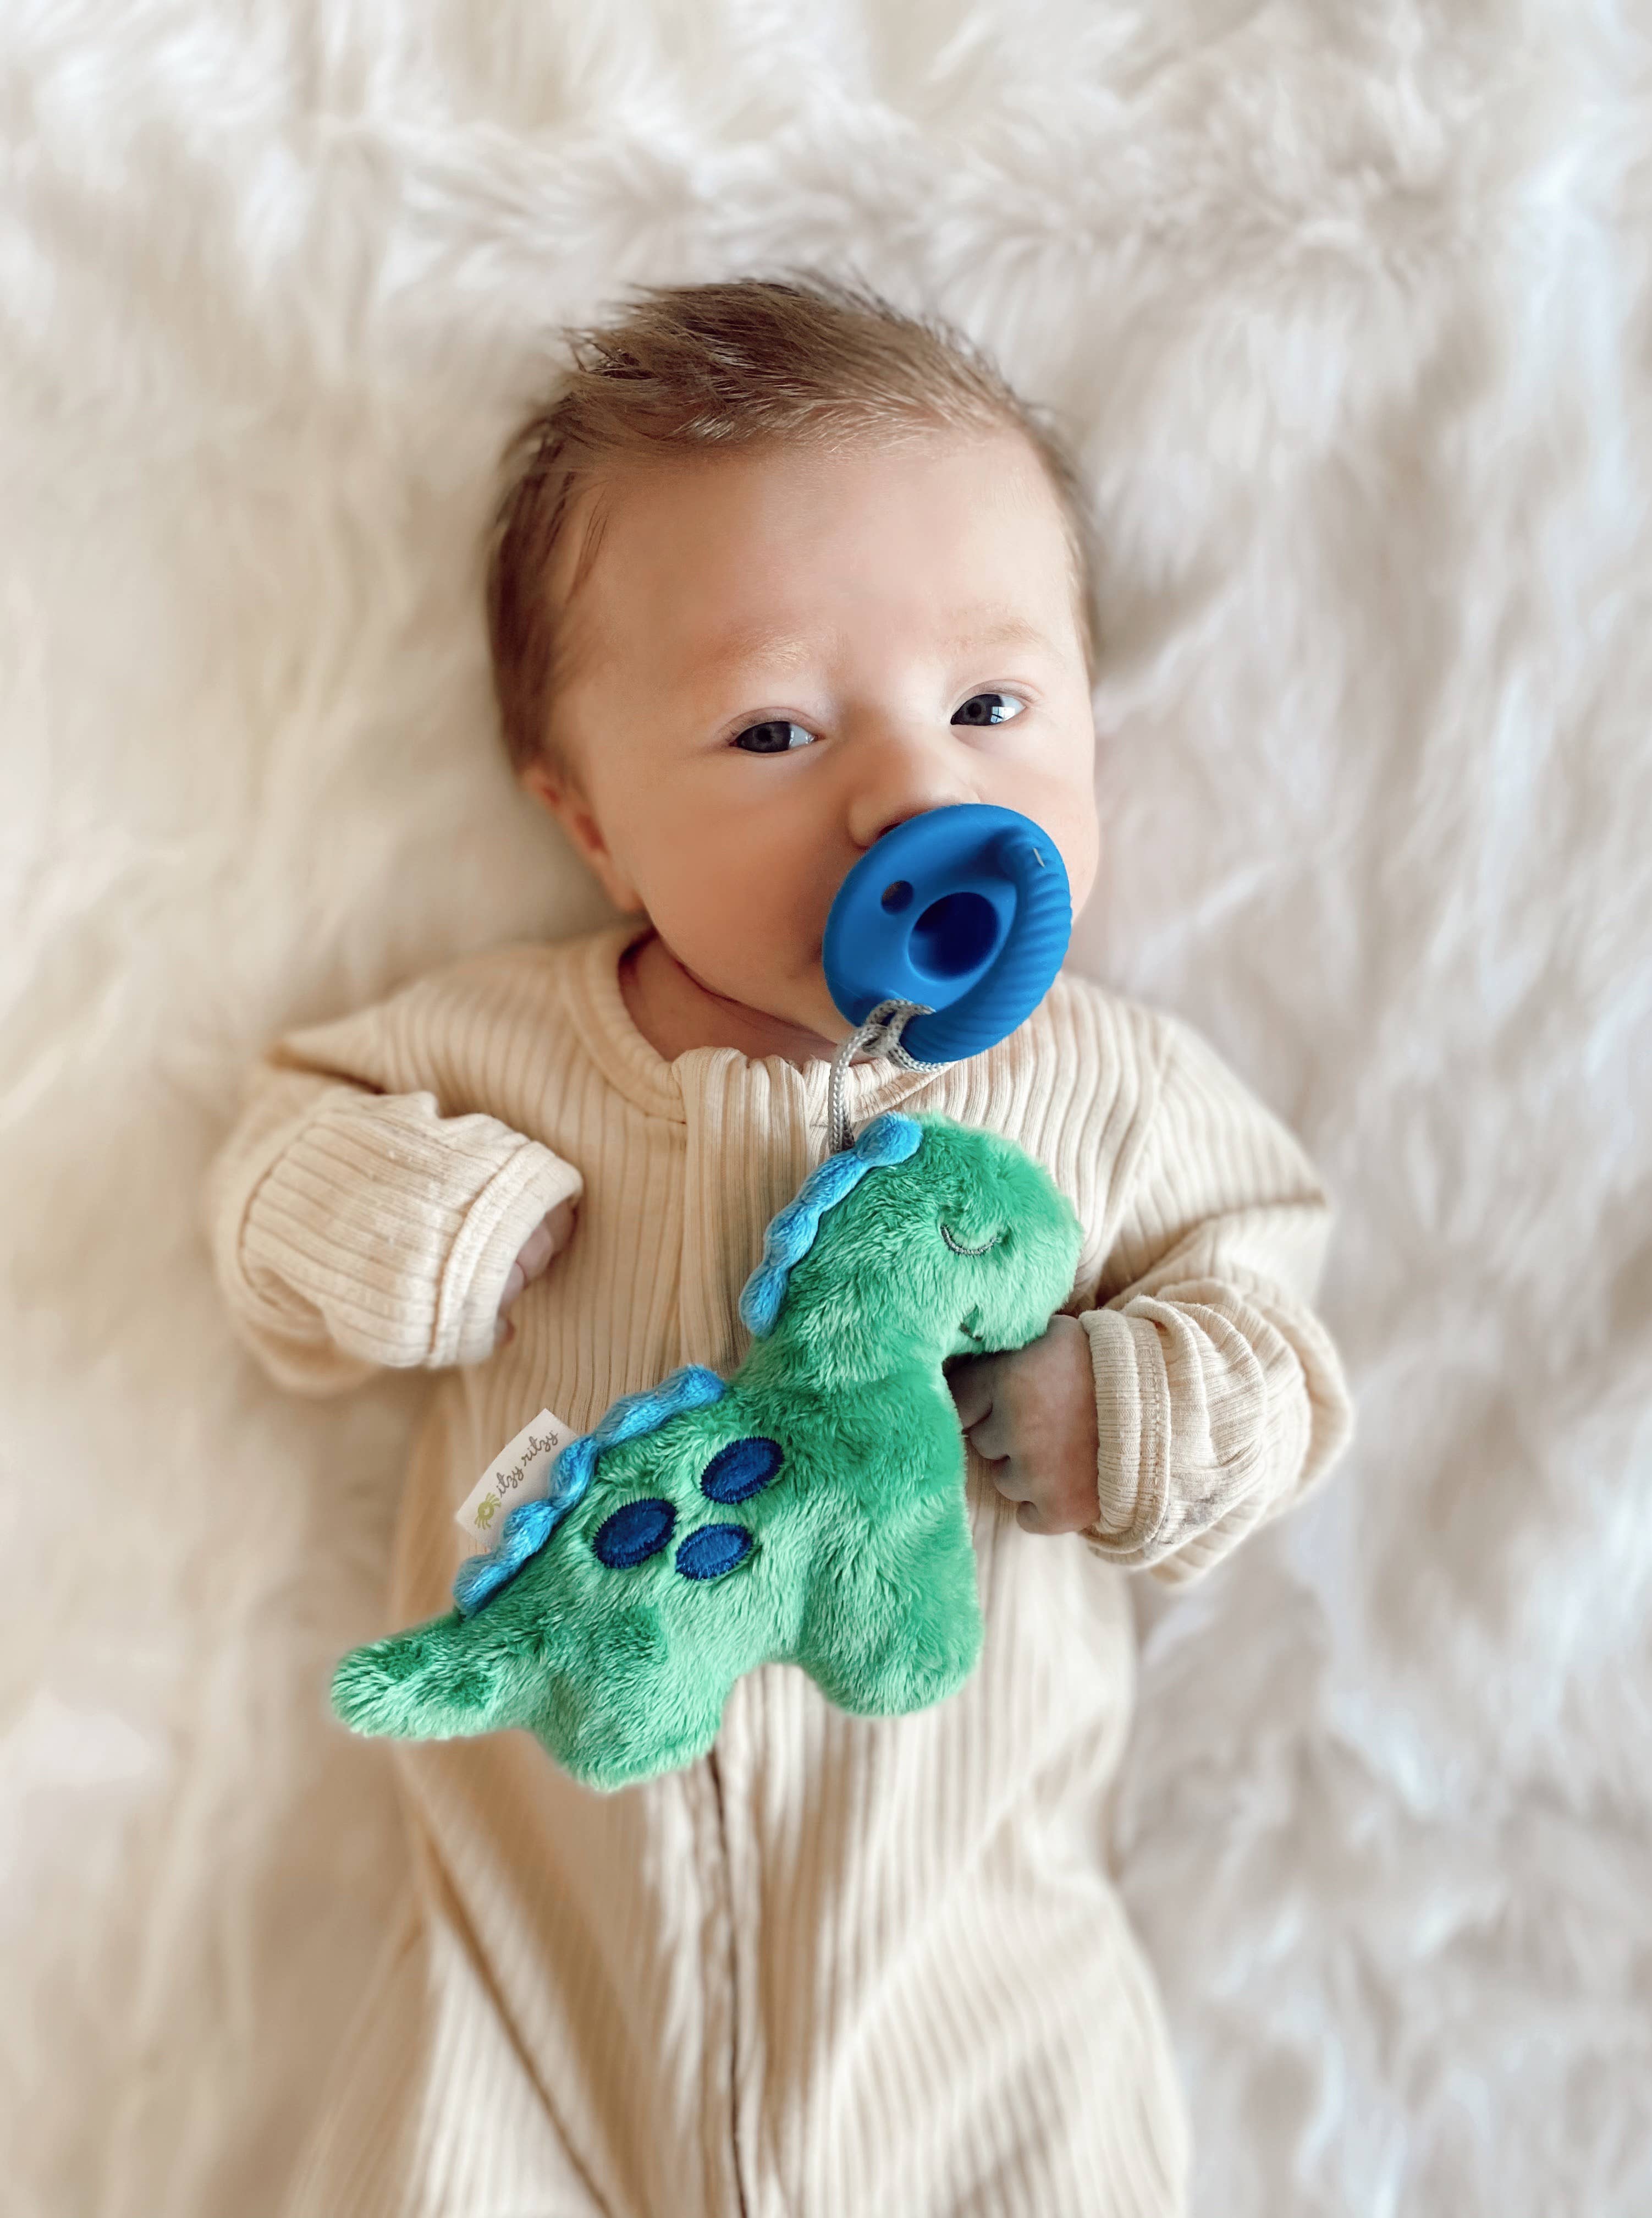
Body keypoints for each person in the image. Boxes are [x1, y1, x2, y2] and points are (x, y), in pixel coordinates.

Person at [205, 271, 1353, 2217]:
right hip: (530, 2015)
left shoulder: (1111, 1095)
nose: (914, 793)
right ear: (588, 820)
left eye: (991, 706)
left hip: (979, 2023)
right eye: (773, 729)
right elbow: (268, 1182)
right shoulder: (503, 1052)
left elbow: (1278, 1343)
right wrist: (397, 1220)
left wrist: (1137, 1411)